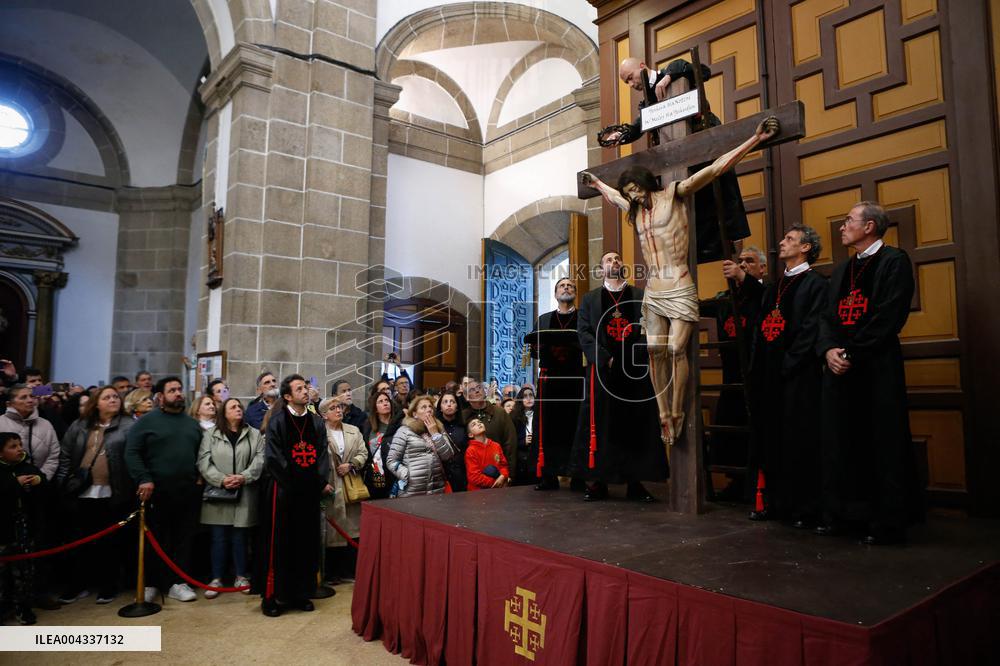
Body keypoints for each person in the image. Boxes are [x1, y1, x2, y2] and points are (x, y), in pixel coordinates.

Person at [582, 116, 779, 444]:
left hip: (679, 282)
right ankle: (663, 414)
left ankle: (676, 410)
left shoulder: (674, 193)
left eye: (636, 189)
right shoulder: (635, 210)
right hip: (655, 288)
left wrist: (754, 139)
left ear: (648, 183)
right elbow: (615, 199)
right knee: (653, 350)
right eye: (629, 191)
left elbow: (713, 170)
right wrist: (599, 184)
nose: (633, 195)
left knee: (676, 349)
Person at [817, 202, 922, 545]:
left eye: (849, 220)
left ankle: (885, 521)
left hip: (875, 368)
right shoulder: (843, 270)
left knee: (881, 441)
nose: (842, 226)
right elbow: (827, 318)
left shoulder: (894, 261)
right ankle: (847, 516)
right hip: (841, 370)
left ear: (870, 227)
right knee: (842, 441)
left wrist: (852, 351)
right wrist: (829, 350)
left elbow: (889, 315)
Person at [605, 57, 751, 264]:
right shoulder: (646, 101)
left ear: (642, 66)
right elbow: (639, 126)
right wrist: (621, 136)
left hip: (705, 145)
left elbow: (703, 71)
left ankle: (731, 249)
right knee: (692, 209)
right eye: (626, 83)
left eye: (630, 78)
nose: (631, 85)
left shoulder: (677, 72)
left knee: (723, 198)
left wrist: (668, 77)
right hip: (678, 161)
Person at [569, 252, 666, 502]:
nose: (615, 262)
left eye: (618, 259)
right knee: (602, 425)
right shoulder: (590, 299)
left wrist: (632, 356)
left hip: (633, 372)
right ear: (601, 269)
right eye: (609, 260)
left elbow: (648, 327)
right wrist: (604, 358)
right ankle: (598, 482)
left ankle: (635, 482)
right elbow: (584, 333)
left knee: (635, 425)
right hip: (603, 373)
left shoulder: (639, 295)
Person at [746, 226, 826, 526]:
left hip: (799, 377)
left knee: (800, 440)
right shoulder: (774, 288)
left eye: (790, 239)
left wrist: (788, 363)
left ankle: (804, 508)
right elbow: (760, 328)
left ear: (806, 248)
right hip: (770, 378)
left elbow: (812, 328)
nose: (781, 242)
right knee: (772, 440)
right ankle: (775, 502)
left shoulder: (816, 284)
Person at [256, 374, 332, 617]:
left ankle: (301, 593)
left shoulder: (317, 422)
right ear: (288, 396)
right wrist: (293, 483)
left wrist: (318, 481)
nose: (305, 391)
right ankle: (273, 597)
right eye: (299, 388)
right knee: (281, 543)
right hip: (284, 492)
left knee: (305, 542)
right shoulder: (278, 421)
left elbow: (322, 456)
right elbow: (274, 458)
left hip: (308, 492)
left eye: (306, 387)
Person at [124, 376, 203, 603]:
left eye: (179, 389)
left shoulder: (191, 424)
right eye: (172, 390)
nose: (178, 393)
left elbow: (201, 453)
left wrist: (199, 474)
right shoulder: (147, 422)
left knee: (183, 537)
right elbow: (132, 452)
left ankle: (177, 582)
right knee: (154, 538)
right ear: (160, 396)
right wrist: (143, 478)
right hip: (155, 491)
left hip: (186, 491)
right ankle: (150, 583)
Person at [56, 386, 135, 605]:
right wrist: (62, 485)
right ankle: (77, 584)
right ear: (96, 403)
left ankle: (107, 586)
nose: (113, 400)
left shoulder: (128, 426)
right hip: (81, 491)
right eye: (107, 397)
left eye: (115, 397)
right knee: (80, 540)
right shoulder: (80, 425)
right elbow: (65, 455)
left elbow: (134, 456)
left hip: (113, 492)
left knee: (109, 542)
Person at [524, 277, 586, 491]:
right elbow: (533, 352)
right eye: (562, 285)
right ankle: (548, 475)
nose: (566, 288)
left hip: (578, 382)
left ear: (575, 293)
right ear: (555, 294)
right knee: (548, 429)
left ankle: (579, 475)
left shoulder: (584, 318)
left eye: (570, 286)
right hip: (550, 383)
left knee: (577, 427)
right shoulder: (544, 319)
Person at [197, 398, 264, 599]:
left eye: (239, 406)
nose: (238, 409)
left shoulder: (254, 434)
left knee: (240, 537)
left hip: (244, 491)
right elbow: (203, 460)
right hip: (219, 493)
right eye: (233, 407)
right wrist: (221, 480)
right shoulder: (211, 434)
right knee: (218, 537)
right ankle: (216, 578)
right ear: (223, 413)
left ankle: (241, 576)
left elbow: (260, 460)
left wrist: (244, 477)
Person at [0, 432, 46, 625]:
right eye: (13, 446)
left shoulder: (26, 466)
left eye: (20, 445)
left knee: (25, 569)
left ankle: (23, 607)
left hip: (24, 525)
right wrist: (14, 483)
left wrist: (38, 480)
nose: (19, 449)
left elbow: (43, 480)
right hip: (3, 528)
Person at [320, 397, 367, 584]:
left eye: (339, 407)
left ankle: (350, 571)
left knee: (353, 528)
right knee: (333, 531)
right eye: (333, 408)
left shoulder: (353, 431)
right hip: (331, 485)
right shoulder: (320, 433)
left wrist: (352, 464)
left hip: (351, 484)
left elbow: (363, 453)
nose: (338, 410)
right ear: (324, 415)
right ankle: (332, 573)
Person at [386, 395, 455, 497]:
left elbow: (448, 455)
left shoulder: (439, 429)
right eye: (423, 407)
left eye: (430, 407)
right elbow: (391, 460)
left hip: (436, 489)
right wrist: (407, 475)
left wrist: (435, 434)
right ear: (415, 414)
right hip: (411, 491)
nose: (429, 410)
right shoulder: (404, 431)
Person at [0, 385, 59, 482]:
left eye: (32, 396)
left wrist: (41, 478)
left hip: (40, 485)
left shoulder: (46, 424)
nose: (30, 400)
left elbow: (53, 456)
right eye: (23, 397)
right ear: (9, 404)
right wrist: (11, 482)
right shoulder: (1, 423)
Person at [461, 382, 518, 484]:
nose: (477, 391)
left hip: (500, 472)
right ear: (466, 396)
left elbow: (510, 443)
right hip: (474, 475)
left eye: (479, 387)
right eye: (472, 390)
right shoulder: (463, 416)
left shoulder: (499, 412)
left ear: (485, 391)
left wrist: (509, 474)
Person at [363, 390, 401, 500]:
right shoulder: (368, 426)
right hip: (376, 474)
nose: (385, 403)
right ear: (375, 408)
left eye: (387, 400)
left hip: (395, 472)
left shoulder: (399, 424)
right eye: (380, 401)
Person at [435, 390, 468, 492]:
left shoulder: (464, 427)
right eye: (445, 402)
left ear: (457, 407)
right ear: (440, 407)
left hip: (460, 475)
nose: (449, 404)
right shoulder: (435, 427)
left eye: (452, 402)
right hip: (440, 475)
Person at [464, 419, 510, 491]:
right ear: (470, 435)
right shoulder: (471, 450)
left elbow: (504, 465)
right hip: (479, 493)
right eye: (474, 424)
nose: (479, 424)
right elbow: (474, 476)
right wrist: (495, 483)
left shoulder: (496, 445)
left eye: (480, 422)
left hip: (498, 490)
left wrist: (503, 476)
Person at [508, 388, 536, 486]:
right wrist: (523, 441)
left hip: (537, 457)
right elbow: (510, 440)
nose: (528, 398)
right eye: (525, 396)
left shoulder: (539, 415)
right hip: (522, 459)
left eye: (531, 395)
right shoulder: (514, 417)